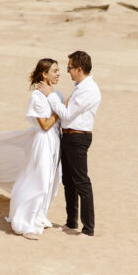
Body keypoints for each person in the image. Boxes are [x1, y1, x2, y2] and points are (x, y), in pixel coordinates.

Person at [38, 50, 101, 237]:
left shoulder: (89, 90)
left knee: (82, 182)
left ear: (79, 69)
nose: (67, 71)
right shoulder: (80, 86)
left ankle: (88, 229)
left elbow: (66, 114)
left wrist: (50, 95)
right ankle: (71, 221)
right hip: (69, 136)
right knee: (68, 181)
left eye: (69, 67)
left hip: (78, 138)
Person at [7, 58, 64, 240]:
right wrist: (59, 109)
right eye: (54, 71)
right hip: (43, 141)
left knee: (50, 181)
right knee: (39, 179)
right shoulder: (37, 96)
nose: (58, 74)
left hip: (56, 141)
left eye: (58, 70)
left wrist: (57, 103)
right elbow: (46, 125)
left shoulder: (58, 94)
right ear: (43, 74)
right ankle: (26, 224)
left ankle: (39, 216)